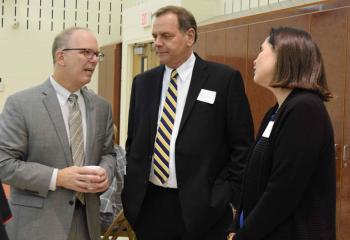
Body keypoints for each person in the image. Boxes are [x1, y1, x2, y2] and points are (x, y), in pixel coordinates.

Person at [122, 5, 254, 240]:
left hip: (204, 209)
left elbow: (242, 147)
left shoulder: (223, 80)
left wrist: (230, 199)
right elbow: (134, 143)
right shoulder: (143, 83)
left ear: (190, 36)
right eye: (155, 37)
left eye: (166, 36)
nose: (157, 43)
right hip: (149, 206)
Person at [0, 27, 116, 240]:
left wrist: (105, 173)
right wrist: (58, 177)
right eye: (85, 52)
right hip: (37, 226)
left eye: (96, 54)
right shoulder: (21, 104)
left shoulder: (101, 107)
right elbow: (4, 164)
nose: (94, 60)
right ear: (60, 57)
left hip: (87, 224)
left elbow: (109, 153)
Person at [229, 27, 335, 240]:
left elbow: (283, 192)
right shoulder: (276, 111)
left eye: (262, 50)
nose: (255, 59)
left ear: (284, 55)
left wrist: (244, 235)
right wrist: (236, 225)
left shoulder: (305, 109)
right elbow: (254, 176)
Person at [100, 126, 126, 233]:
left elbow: (108, 194)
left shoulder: (106, 157)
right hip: (122, 218)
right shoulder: (121, 152)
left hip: (107, 217)